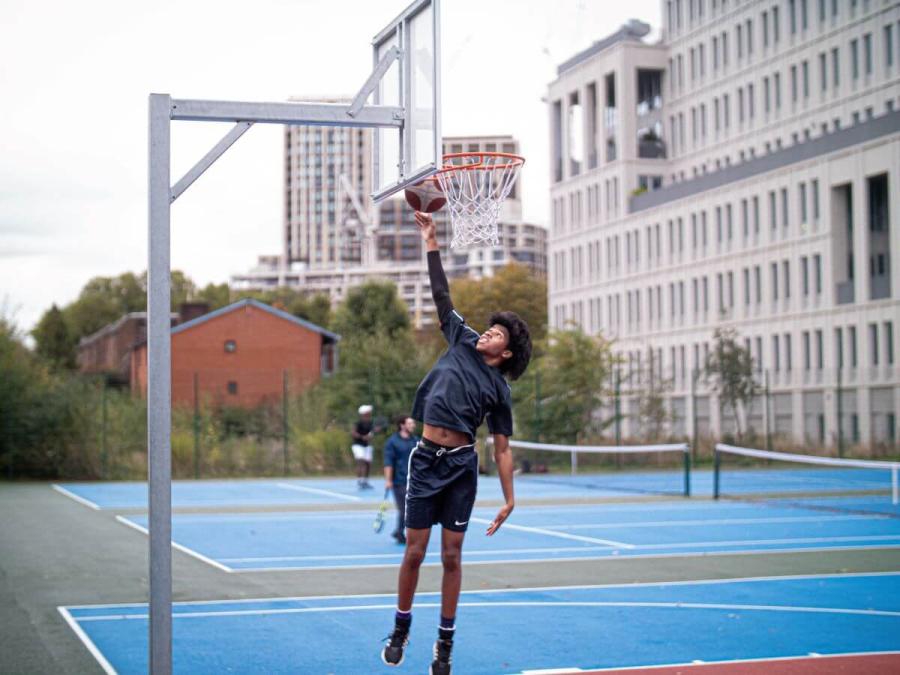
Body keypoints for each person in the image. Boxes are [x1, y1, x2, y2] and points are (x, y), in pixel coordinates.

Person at [381, 212, 532, 675]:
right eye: (490, 328)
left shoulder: (498, 390)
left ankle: (444, 645)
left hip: (462, 467)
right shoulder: (461, 340)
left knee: (451, 556)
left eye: (498, 334)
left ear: (504, 353)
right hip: (426, 460)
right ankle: (401, 627)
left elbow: (502, 448)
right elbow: (441, 292)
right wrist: (430, 239)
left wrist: (509, 498)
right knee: (414, 550)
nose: (488, 332)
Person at [383, 415, 419, 545]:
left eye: (413, 423)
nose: (413, 425)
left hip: (414, 481)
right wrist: (388, 480)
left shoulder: (415, 440)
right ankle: (399, 532)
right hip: (399, 481)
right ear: (402, 425)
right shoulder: (392, 442)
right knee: (404, 509)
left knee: (412, 509)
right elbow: (388, 462)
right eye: (410, 423)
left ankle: (399, 531)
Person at [351, 404, 375, 489]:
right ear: (364, 413)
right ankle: (359, 481)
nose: (370, 413)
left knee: (368, 463)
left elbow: (372, 433)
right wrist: (362, 437)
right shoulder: (358, 423)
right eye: (368, 411)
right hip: (358, 445)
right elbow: (353, 433)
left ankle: (365, 481)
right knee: (361, 462)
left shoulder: (371, 423)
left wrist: (370, 436)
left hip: (367, 446)